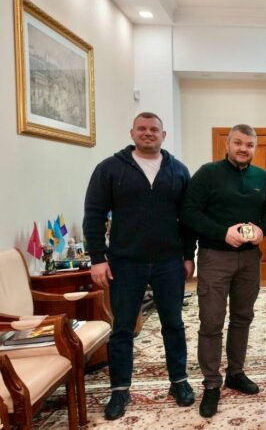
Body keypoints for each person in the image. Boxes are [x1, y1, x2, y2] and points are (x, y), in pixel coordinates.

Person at [83, 112, 196, 420]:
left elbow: (188, 219)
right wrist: (97, 258)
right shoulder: (109, 168)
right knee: (122, 328)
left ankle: (179, 381)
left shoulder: (178, 170)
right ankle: (119, 390)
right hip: (125, 262)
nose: (148, 133)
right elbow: (94, 214)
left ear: (163, 135)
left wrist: (189, 255)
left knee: (174, 324)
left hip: (169, 261)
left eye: (154, 129)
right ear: (132, 132)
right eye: (142, 129)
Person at [182, 124, 266, 418]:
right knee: (211, 321)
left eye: (249, 144)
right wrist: (222, 233)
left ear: (254, 147)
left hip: (250, 259)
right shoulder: (207, 174)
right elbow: (189, 213)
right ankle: (211, 383)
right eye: (238, 143)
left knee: (243, 317)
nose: (243, 149)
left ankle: (235, 372)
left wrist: (262, 231)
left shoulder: (262, 177)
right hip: (215, 257)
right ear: (228, 144)